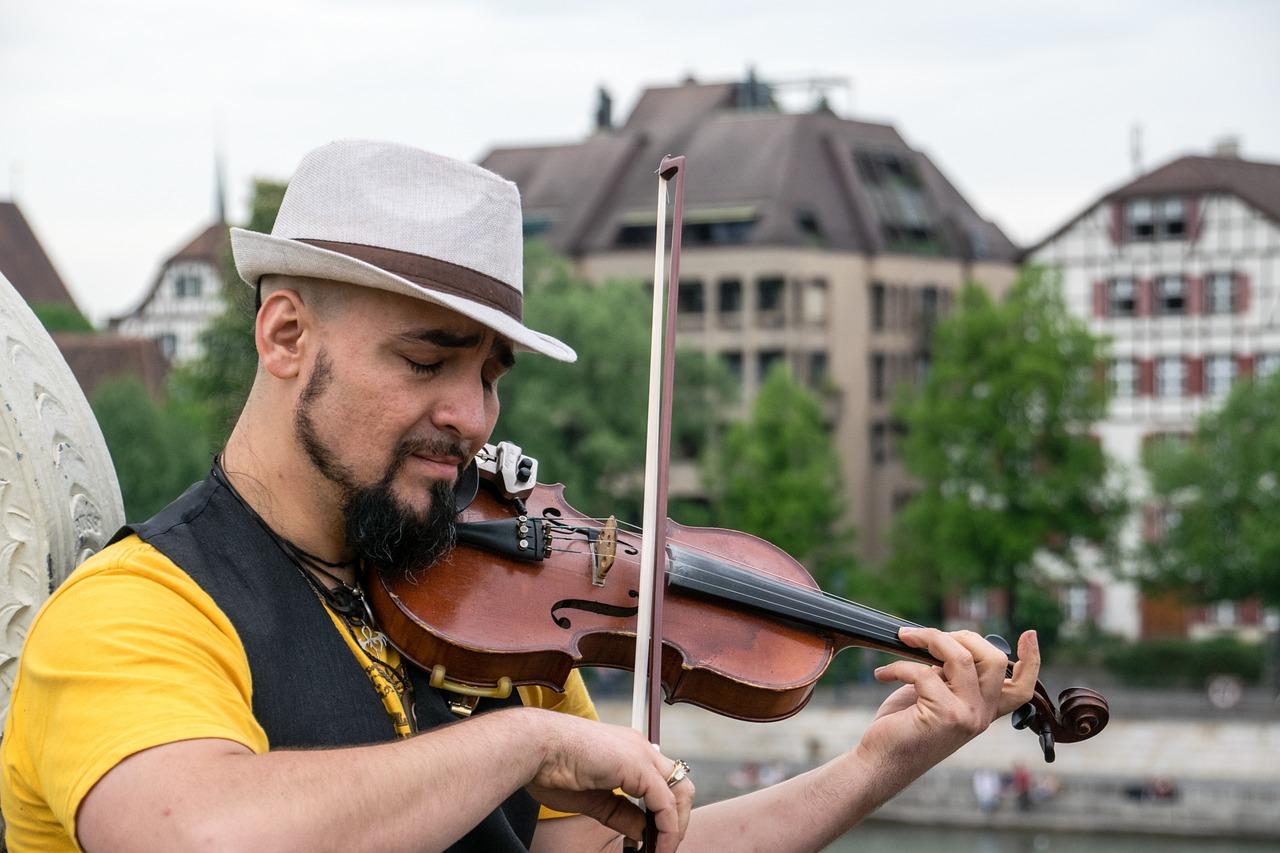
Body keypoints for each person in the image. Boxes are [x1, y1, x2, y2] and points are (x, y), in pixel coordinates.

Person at [0, 140, 1041, 853]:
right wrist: (523, 744)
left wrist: (876, 761)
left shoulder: (484, 607)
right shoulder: (137, 609)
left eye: (491, 373)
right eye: (427, 360)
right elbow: (195, 832)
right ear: (284, 336)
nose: (473, 414)